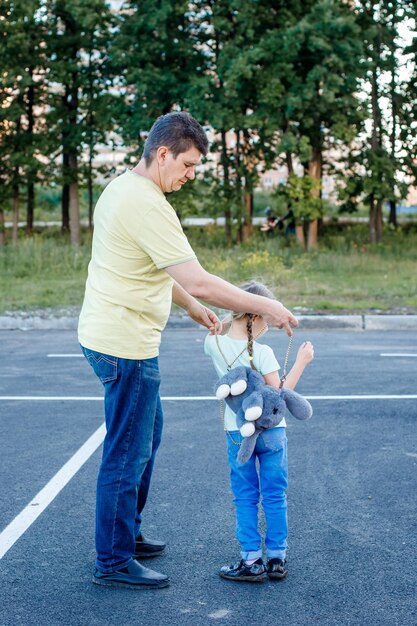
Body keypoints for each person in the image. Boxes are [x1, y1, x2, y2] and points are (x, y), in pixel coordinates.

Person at [78, 112, 298, 590]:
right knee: (127, 451)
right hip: (124, 345)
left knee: (146, 437)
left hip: (109, 335)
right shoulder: (147, 204)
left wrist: (194, 308)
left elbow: (157, 271)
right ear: (163, 154)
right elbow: (196, 276)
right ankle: (113, 561)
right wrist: (269, 306)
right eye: (189, 164)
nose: (191, 174)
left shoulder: (121, 189)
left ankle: (126, 535)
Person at [204, 281, 314, 582]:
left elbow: (224, 325)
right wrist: (302, 361)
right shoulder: (264, 353)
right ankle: (277, 558)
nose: (267, 321)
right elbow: (278, 396)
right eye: (265, 314)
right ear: (255, 316)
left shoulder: (213, 344)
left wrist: (235, 312)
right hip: (273, 433)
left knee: (245, 496)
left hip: (237, 433)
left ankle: (251, 559)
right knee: (275, 495)